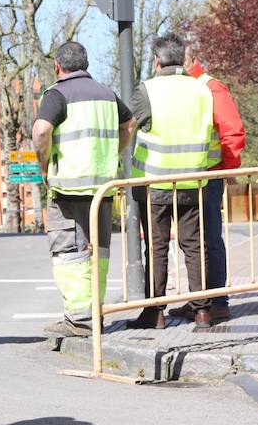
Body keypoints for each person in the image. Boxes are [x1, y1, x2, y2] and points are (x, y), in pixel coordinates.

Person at [32, 42, 136, 337]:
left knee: (69, 251)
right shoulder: (106, 93)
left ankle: (79, 320)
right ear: (85, 64)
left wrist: (44, 164)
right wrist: (114, 153)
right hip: (102, 185)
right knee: (98, 252)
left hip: (68, 187)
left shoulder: (57, 94)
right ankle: (95, 314)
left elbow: (41, 131)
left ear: (57, 66)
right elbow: (129, 124)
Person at [127, 34, 215, 330]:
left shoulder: (148, 90)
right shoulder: (202, 90)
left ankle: (156, 312)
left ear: (157, 60)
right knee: (194, 246)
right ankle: (202, 311)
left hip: (155, 183)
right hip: (192, 179)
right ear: (181, 58)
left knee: (156, 248)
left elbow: (129, 128)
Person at [168, 46, 246, 323]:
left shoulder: (209, 87)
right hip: (189, 175)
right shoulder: (187, 88)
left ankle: (217, 302)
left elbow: (231, 131)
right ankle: (200, 300)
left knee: (209, 238)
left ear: (189, 61)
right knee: (193, 242)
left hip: (207, 176)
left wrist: (226, 168)